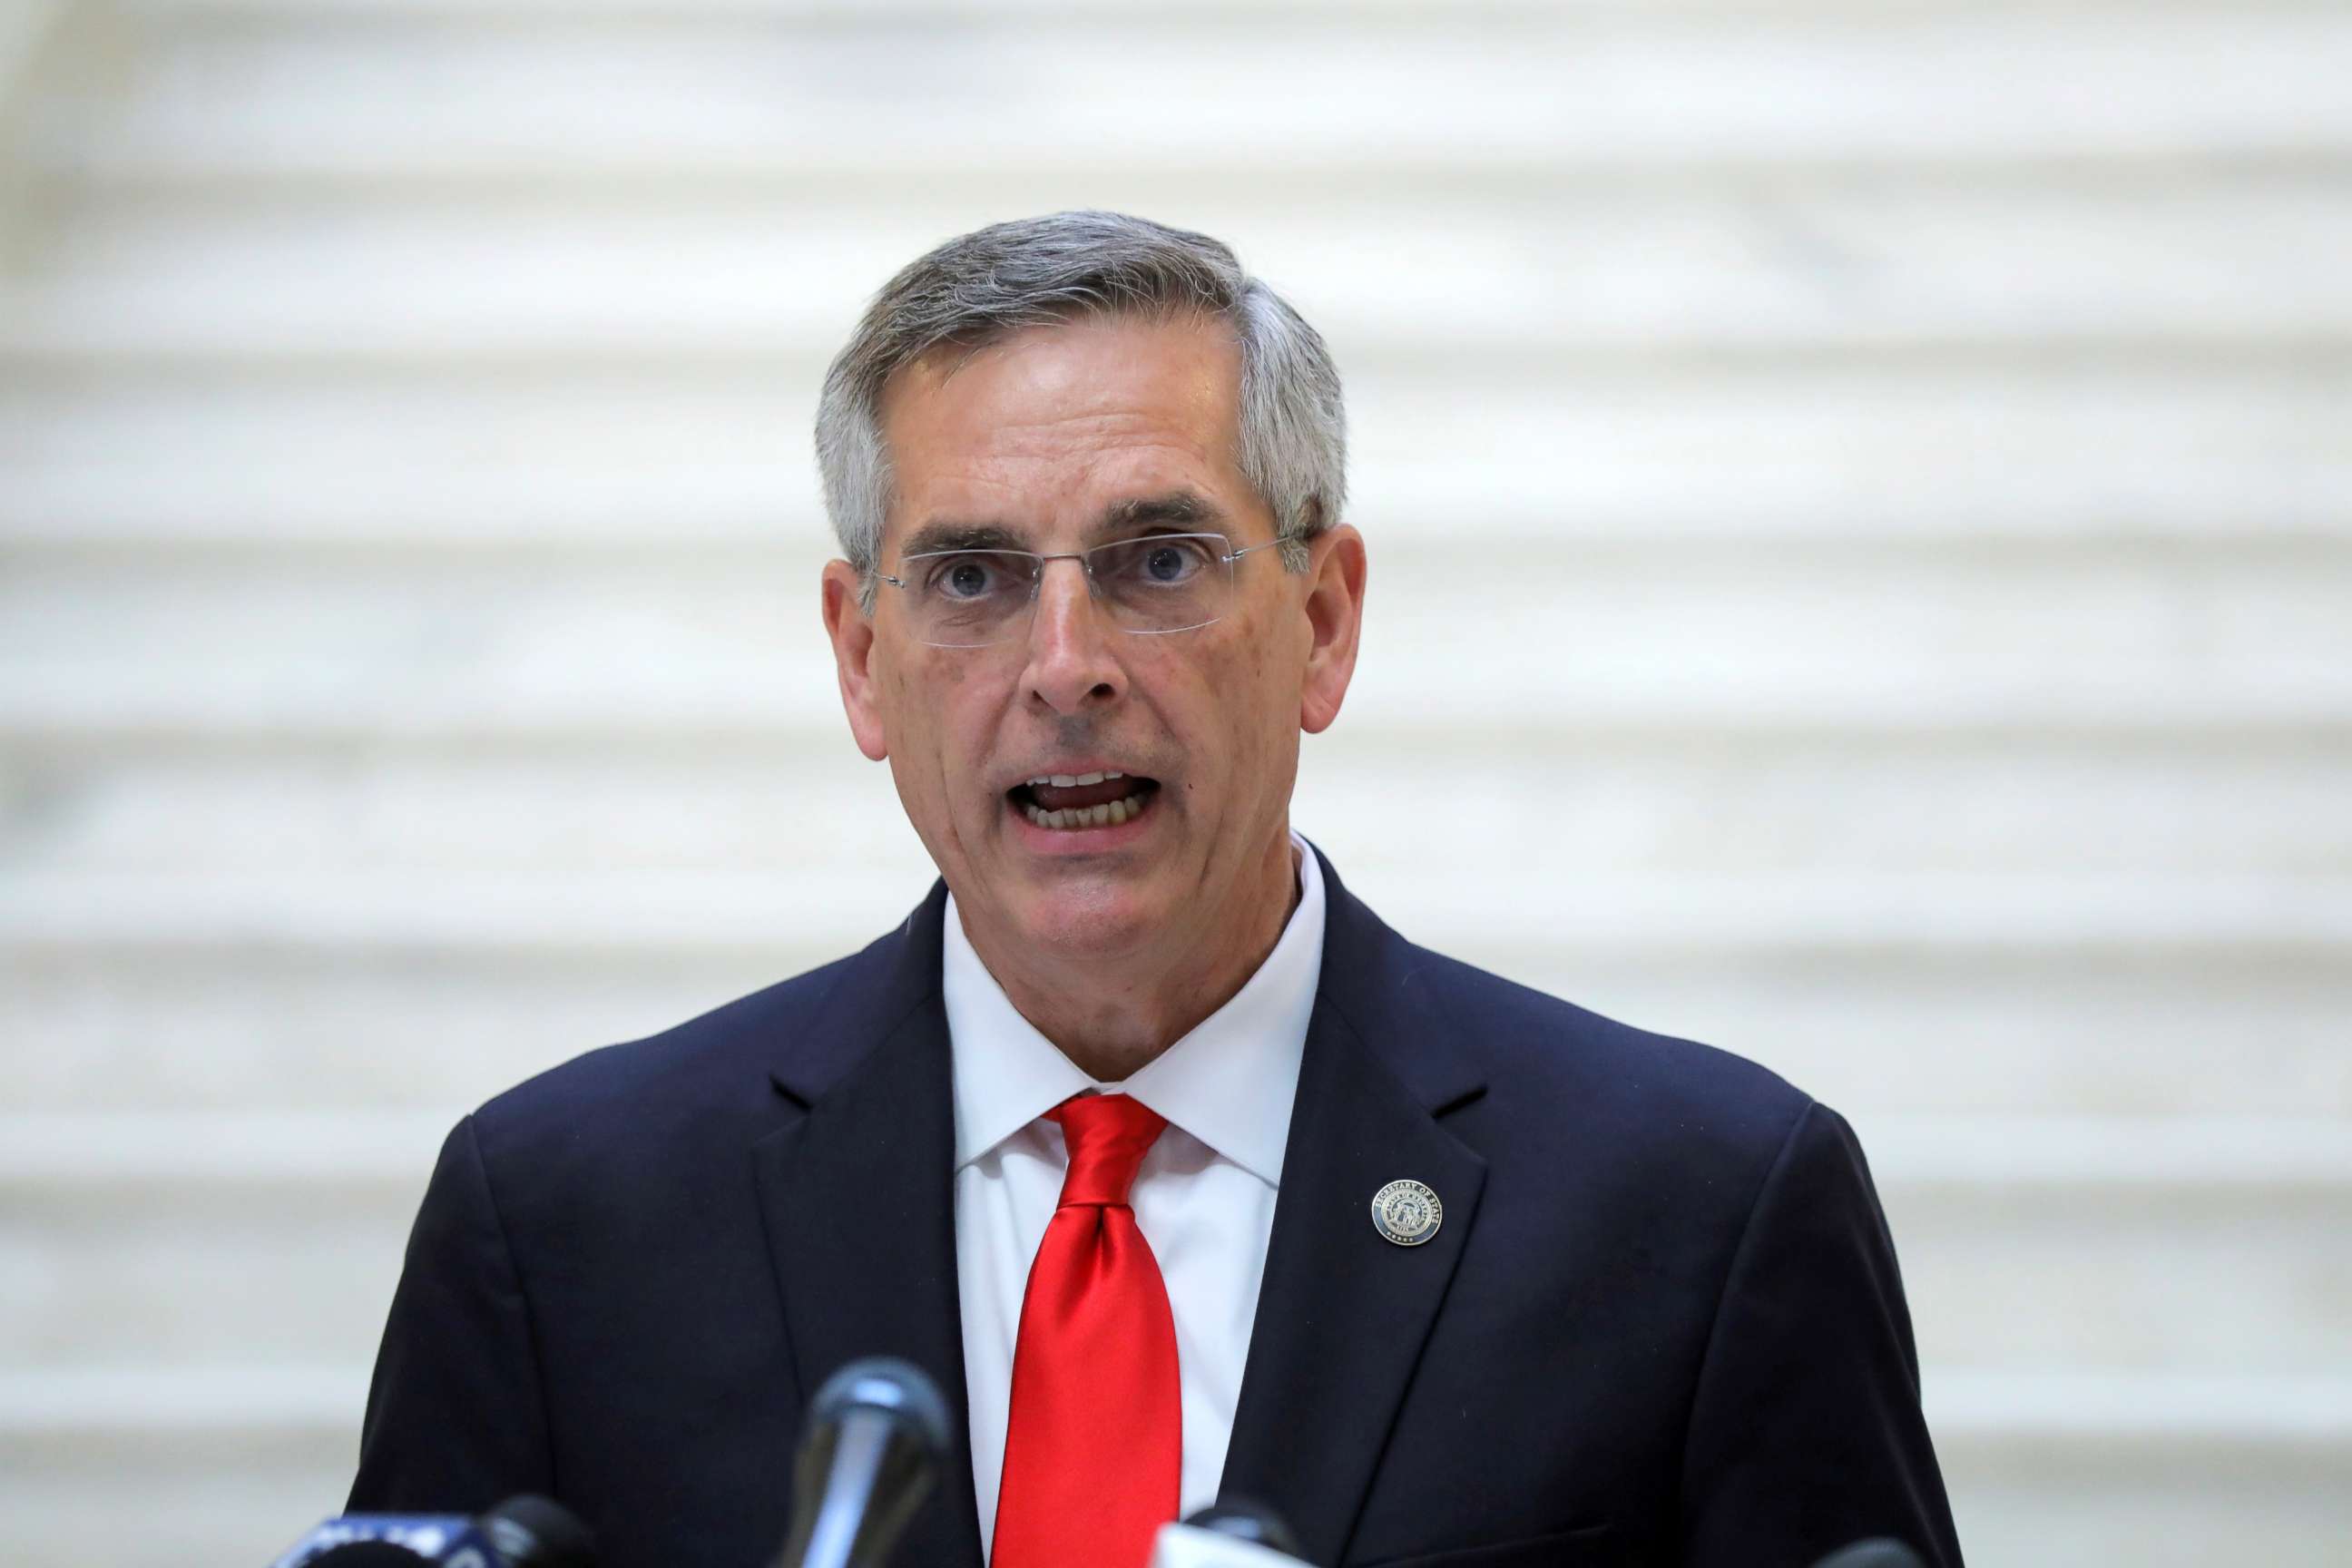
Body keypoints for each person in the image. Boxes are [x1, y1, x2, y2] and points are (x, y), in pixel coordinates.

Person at [348, 211, 1962, 1568]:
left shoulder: (1699, 1212)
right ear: (860, 661)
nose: (1067, 670)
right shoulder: (563, 1227)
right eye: (971, 579)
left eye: (1160, 562)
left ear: (1323, 622)